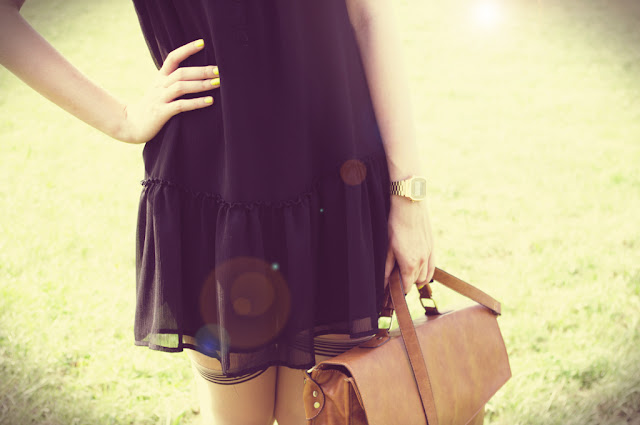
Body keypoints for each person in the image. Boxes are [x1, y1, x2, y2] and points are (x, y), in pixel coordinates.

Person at [0, 0, 435, 424]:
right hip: (216, 190)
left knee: (318, 414)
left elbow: (369, 13)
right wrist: (123, 119)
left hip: (337, 177)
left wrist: (408, 195)